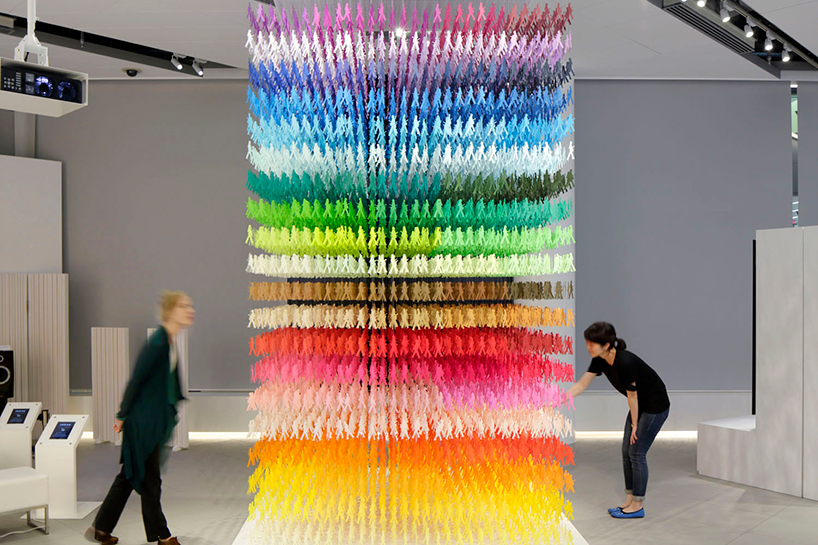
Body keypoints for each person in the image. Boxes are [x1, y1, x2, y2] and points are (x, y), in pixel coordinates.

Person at [86, 291, 195, 545]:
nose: (190, 310)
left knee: (134, 475)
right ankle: (162, 536)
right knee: (146, 477)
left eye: (190, 305)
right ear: (170, 311)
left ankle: (101, 528)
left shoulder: (167, 341)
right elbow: (136, 380)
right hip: (143, 423)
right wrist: (122, 414)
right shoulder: (158, 343)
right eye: (183, 306)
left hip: (150, 421)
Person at [568, 322, 670, 519]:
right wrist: (557, 399)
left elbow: (632, 395)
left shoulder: (625, 362)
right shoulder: (599, 360)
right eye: (587, 343)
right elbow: (581, 385)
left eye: (592, 343)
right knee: (626, 451)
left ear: (606, 345)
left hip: (655, 406)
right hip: (640, 405)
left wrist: (635, 425)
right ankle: (629, 500)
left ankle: (637, 505)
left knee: (637, 452)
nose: (588, 347)